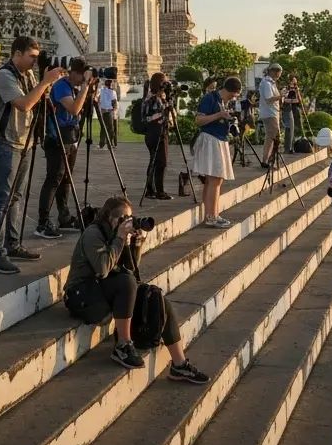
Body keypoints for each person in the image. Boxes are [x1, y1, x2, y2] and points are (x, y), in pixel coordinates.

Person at [64, 196, 209, 382]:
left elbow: (131, 270)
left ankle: (179, 364)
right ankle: (123, 345)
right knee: (126, 282)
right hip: (80, 295)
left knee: (155, 295)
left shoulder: (118, 235)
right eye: (123, 219)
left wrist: (136, 245)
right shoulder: (93, 233)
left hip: (102, 290)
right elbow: (102, 269)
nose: (128, 223)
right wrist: (120, 238)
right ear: (112, 219)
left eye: (130, 218)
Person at [0, 36, 64, 272]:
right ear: (17, 53)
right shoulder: (5, 75)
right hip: (5, 141)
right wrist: (44, 82)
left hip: (23, 141)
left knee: (16, 197)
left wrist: (46, 85)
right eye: (31, 56)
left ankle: (12, 244)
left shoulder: (27, 75)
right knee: (3, 198)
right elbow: (24, 104)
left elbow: (40, 101)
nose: (34, 61)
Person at [36, 58, 93, 239]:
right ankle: (42, 222)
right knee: (54, 178)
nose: (82, 79)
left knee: (66, 179)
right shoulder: (61, 86)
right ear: (74, 73)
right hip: (56, 138)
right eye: (81, 76)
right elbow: (75, 109)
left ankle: (64, 216)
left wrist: (87, 89)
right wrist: (85, 88)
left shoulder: (73, 87)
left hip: (70, 137)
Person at [193, 76, 241, 227]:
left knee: (214, 179)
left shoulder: (221, 101)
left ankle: (212, 214)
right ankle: (211, 216)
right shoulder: (210, 98)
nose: (232, 98)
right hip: (210, 139)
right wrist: (219, 115)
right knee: (215, 178)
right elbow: (199, 120)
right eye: (233, 95)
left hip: (219, 138)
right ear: (229, 90)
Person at [142, 73, 172, 199]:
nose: (166, 85)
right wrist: (164, 111)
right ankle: (159, 191)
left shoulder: (156, 97)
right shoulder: (152, 98)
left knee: (154, 161)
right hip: (156, 132)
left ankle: (151, 189)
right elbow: (148, 117)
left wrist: (168, 98)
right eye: (164, 82)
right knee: (161, 162)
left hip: (155, 132)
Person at [258, 63, 283, 166]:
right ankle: (267, 160)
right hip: (270, 113)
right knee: (273, 137)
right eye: (278, 73)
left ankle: (268, 159)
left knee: (272, 136)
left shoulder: (271, 82)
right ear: (274, 72)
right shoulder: (267, 83)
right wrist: (281, 96)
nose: (279, 76)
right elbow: (269, 99)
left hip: (273, 113)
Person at [281, 75, 301, 153]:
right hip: (287, 109)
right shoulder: (285, 89)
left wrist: (297, 91)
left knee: (292, 128)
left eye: (295, 82)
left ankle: (291, 147)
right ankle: (287, 148)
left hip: (294, 110)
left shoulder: (295, 90)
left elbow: (299, 100)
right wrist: (292, 100)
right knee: (289, 127)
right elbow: (284, 100)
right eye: (293, 82)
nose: (295, 84)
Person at [98, 79, 118, 148]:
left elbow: (99, 100)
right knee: (111, 128)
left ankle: (102, 143)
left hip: (103, 111)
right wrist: (115, 112)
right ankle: (110, 143)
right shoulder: (112, 92)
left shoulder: (101, 91)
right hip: (109, 111)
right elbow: (114, 102)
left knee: (103, 128)